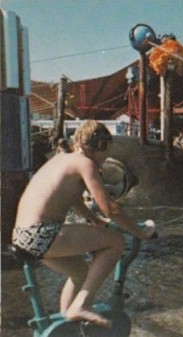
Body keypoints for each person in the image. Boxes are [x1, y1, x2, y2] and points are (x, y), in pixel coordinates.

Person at [11, 120, 155, 328]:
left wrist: (94, 219)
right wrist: (140, 232)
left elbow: (72, 198)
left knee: (80, 272)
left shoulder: (62, 159)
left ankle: (67, 321)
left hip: (23, 237)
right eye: (106, 151)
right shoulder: (85, 163)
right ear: (99, 146)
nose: (105, 157)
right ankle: (81, 305)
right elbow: (110, 208)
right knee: (116, 243)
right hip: (41, 234)